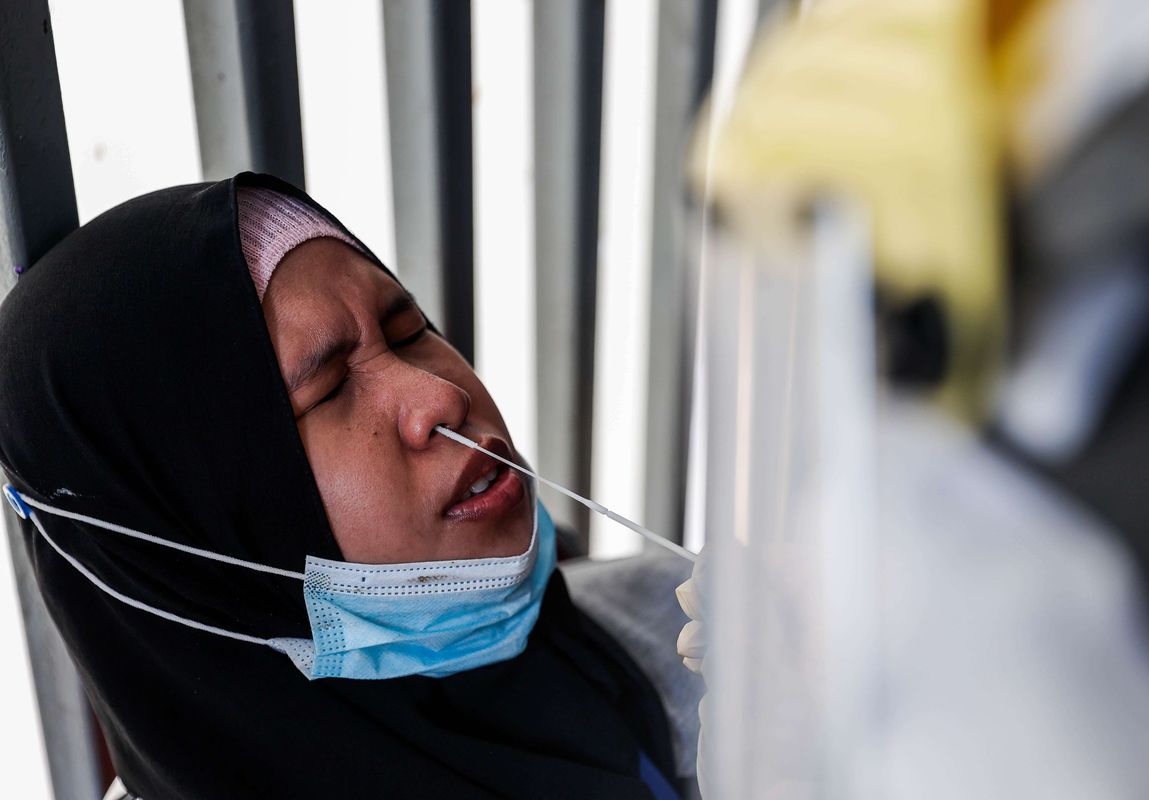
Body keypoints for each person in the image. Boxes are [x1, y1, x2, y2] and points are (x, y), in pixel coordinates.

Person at [0, 173, 699, 799]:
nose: (439, 399)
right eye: (329, 389)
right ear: (188, 542)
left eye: (409, 329)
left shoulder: (679, 638)